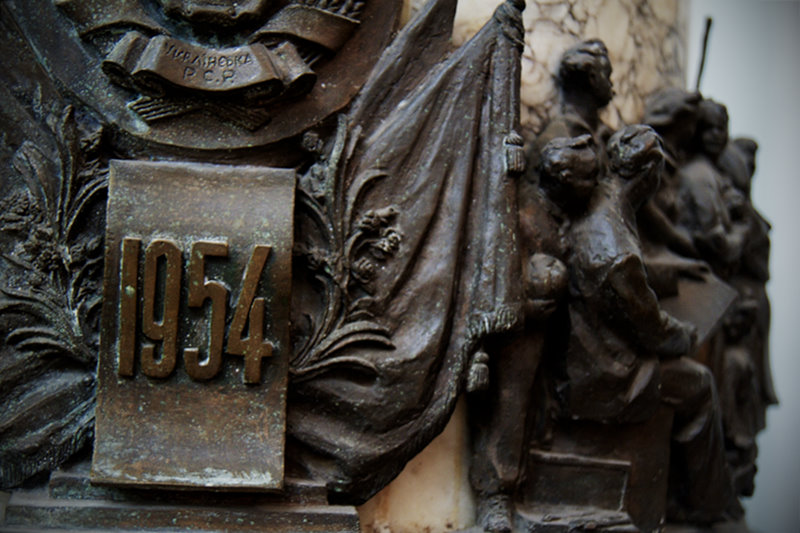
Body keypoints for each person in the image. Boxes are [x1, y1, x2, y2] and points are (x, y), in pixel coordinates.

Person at [562, 125, 740, 524]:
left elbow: (628, 277)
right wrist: (687, 335)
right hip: (605, 375)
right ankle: (705, 504)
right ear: (648, 176)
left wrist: (673, 272)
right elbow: (651, 328)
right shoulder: (615, 246)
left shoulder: (602, 209)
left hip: (589, 353)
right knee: (699, 384)